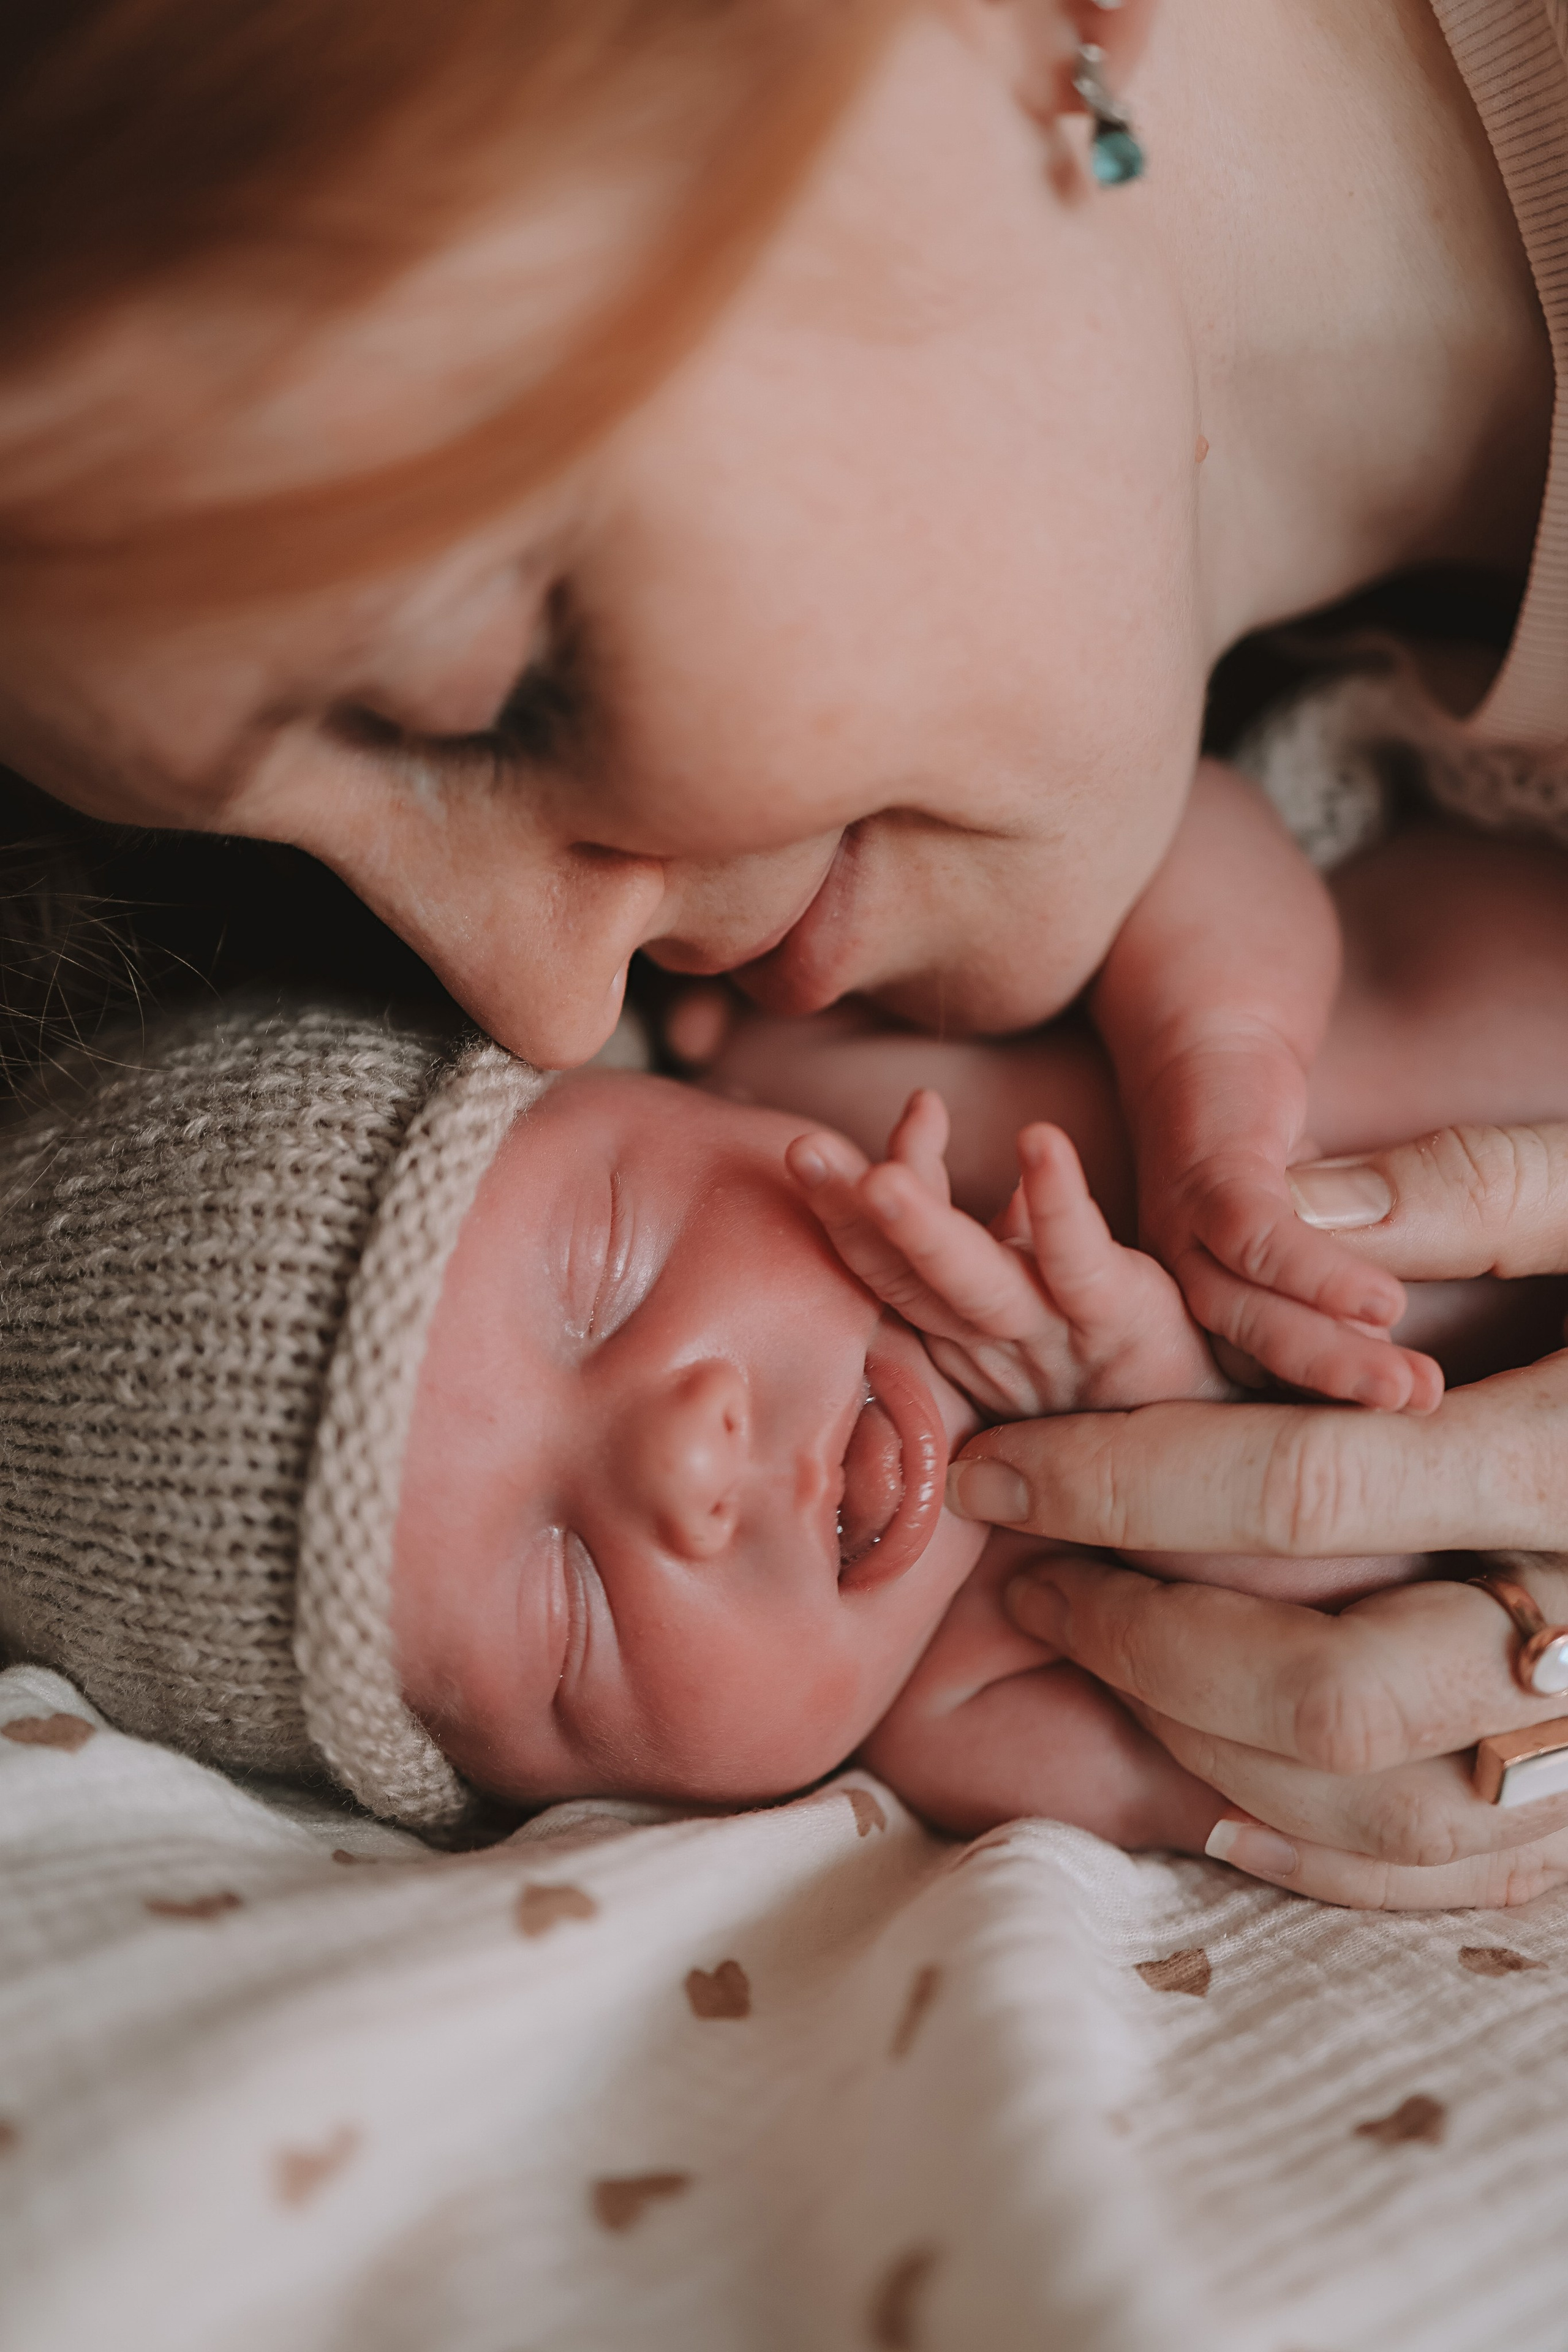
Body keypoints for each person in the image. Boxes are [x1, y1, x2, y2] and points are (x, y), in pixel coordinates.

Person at [3, 0, 1568, 1898]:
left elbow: (1222, 887)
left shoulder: (874, 1099)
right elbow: (1232, 1740)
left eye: (502, 692)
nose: (549, 1005)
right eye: (561, 1617)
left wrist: (1220, 1072)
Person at [5, 799, 1568, 1880]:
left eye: (609, 1270)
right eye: (565, 1612)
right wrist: (1138, 1407)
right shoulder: (963, 1713)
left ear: (653, 1086)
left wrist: (1213, 1061)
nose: (684, 1462)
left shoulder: (821, 1027)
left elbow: (1187, 820)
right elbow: (1337, 1734)